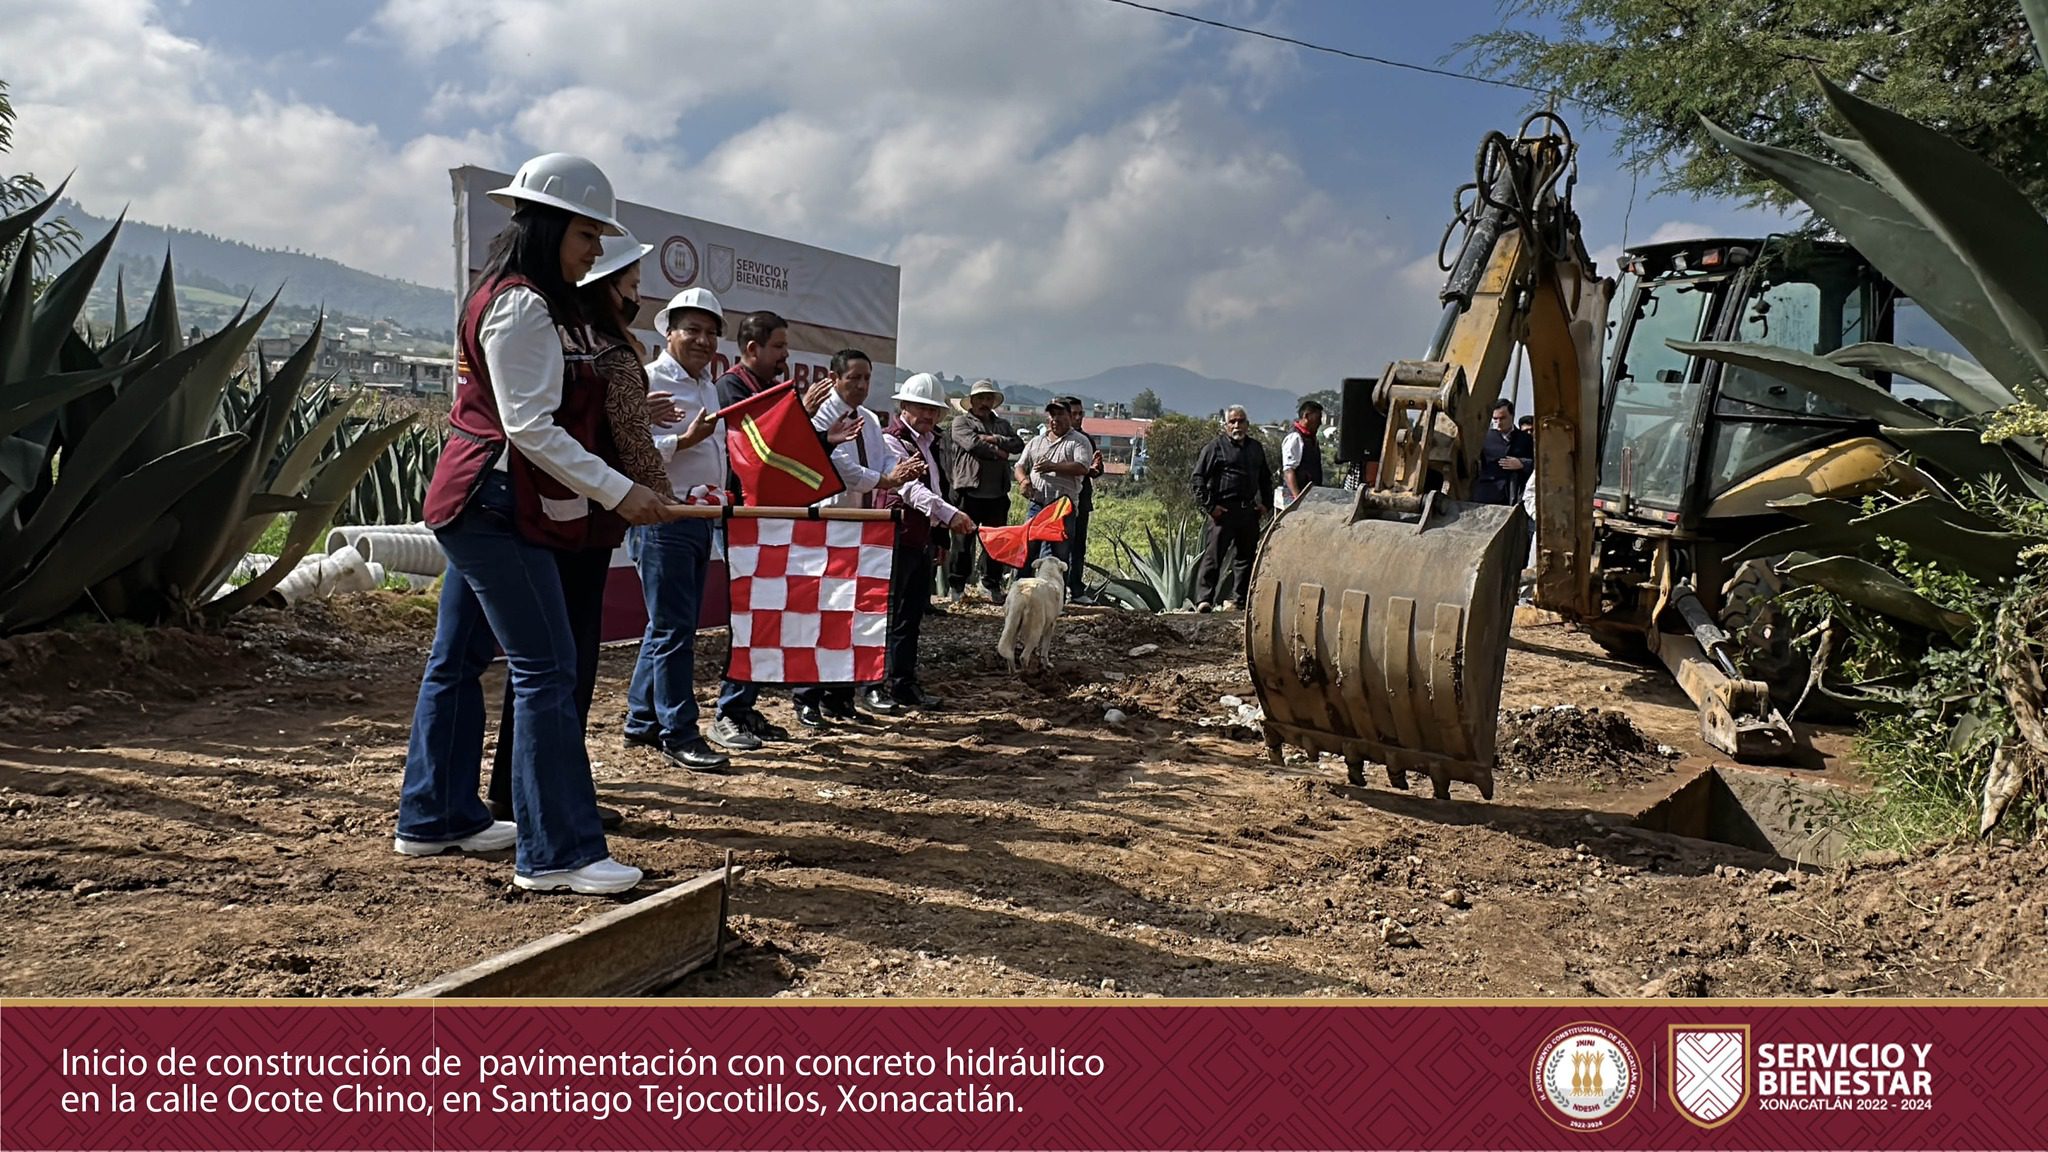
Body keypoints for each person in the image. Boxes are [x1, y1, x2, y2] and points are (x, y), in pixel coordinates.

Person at [397, 152, 685, 896]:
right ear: (551, 225)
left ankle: (437, 815)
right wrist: (622, 492)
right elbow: (531, 427)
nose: (595, 251)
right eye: (588, 235)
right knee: (548, 667)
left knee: (458, 660)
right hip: (494, 506)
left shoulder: (509, 295)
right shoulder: (523, 304)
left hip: (478, 500)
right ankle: (557, 851)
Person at [484, 230, 676, 826]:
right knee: (565, 665)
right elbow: (629, 442)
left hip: (545, 510)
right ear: (605, 290)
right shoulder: (608, 351)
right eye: (632, 287)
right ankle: (552, 801)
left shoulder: (557, 334)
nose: (635, 299)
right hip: (585, 520)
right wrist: (657, 498)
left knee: (535, 666)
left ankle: (516, 791)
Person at [621, 286, 732, 772]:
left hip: (697, 517)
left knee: (668, 625)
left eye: (710, 332)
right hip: (662, 516)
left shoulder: (707, 384)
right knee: (673, 629)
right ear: (669, 333)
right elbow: (627, 447)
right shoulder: (648, 381)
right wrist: (680, 440)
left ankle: (642, 720)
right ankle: (678, 732)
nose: (703, 340)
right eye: (693, 330)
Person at [791, 350, 926, 727]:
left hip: (863, 526)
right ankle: (807, 697)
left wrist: (896, 471)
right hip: (826, 524)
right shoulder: (821, 416)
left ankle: (840, 694)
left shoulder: (868, 420)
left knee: (850, 614)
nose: (862, 385)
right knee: (819, 613)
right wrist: (885, 480)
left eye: (867, 378)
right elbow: (844, 469)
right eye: (853, 378)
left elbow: (881, 459)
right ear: (834, 378)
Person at [705, 311, 800, 753]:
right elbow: (758, 451)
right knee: (748, 618)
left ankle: (743, 707)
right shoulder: (732, 389)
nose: (785, 356)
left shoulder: (765, 389)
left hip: (767, 520)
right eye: (778, 347)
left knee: (762, 619)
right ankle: (727, 712)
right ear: (751, 349)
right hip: (743, 520)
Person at [874, 373, 975, 711]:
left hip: (918, 539)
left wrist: (938, 535)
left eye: (933, 410)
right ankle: (880, 683)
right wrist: (950, 517)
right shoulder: (892, 442)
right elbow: (911, 490)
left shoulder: (930, 443)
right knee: (890, 614)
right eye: (922, 408)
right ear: (904, 406)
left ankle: (902, 682)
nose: (929, 416)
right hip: (896, 537)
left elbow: (934, 488)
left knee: (910, 614)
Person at [946, 379, 1024, 604]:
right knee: (962, 544)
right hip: (968, 492)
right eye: (980, 398)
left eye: (988, 398)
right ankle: (957, 587)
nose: (985, 402)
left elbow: (1018, 444)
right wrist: (1000, 452)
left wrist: (994, 439)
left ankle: (990, 584)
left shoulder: (1001, 425)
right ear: (972, 401)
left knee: (997, 542)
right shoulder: (961, 422)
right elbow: (972, 444)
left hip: (997, 494)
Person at [1191, 405, 1274, 613]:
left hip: (1248, 512)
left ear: (1247, 424)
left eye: (1241, 421)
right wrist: (1211, 507)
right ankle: (1204, 599)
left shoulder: (1256, 448)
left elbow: (1265, 477)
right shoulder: (1215, 448)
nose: (1237, 425)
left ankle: (1239, 601)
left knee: (1245, 558)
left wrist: (1266, 504)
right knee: (1214, 557)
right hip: (1223, 513)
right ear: (1226, 425)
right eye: (1233, 421)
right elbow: (1197, 479)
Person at [1013, 400, 1093, 568]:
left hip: (1062, 507)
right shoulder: (1036, 441)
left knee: (1058, 558)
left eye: (1060, 415)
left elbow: (1082, 466)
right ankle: (1022, 590)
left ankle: (1055, 592)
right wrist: (1023, 480)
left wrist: (1053, 466)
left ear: (1070, 417)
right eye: (1052, 415)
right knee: (1027, 550)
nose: (1055, 419)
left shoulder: (1079, 441)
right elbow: (1019, 465)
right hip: (1037, 505)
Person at [1060, 395, 1105, 603]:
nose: (1078, 418)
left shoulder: (1086, 440)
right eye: (1074, 414)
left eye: (1081, 414)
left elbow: (1091, 471)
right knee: (1058, 547)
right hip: (1060, 501)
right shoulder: (1056, 439)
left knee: (1078, 548)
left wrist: (1096, 469)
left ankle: (1075, 589)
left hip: (1082, 501)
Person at [1475, 400, 1532, 505]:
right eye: (1495, 419)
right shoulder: (1483, 438)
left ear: (1512, 416)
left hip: (1516, 496)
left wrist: (1522, 464)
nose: (1498, 423)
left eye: (1502, 418)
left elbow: (1538, 463)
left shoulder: (1526, 439)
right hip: (1488, 495)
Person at [1280, 399, 1326, 502]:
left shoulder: (1311, 438)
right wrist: (1298, 498)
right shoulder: (1295, 437)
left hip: (1310, 497)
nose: (1320, 422)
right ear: (1306, 416)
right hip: (1296, 499)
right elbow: (1288, 470)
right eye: (1318, 418)